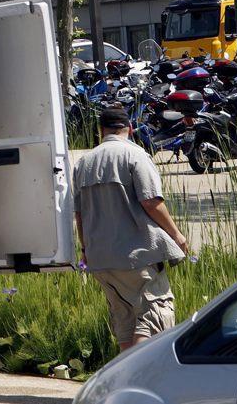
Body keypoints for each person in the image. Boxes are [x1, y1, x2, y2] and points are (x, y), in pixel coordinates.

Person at [74, 106, 190, 351]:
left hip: (100, 260)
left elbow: (79, 214)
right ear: (130, 128)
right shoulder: (135, 155)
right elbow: (150, 202)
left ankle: (124, 380)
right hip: (136, 256)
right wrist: (176, 235)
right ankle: (141, 379)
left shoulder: (83, 163)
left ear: (100, 131)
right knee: (153, 317)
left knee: (124, 322)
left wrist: (85, 249)